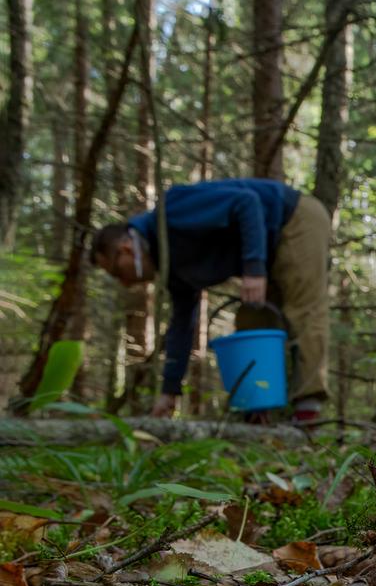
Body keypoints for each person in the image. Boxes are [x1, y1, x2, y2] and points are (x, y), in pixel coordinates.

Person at [92, 178, 330, 422]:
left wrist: (254, 269)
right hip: (266, 248)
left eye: (116, 271)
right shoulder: (172, 268)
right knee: (253, 319)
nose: (124, 282)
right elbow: (182, 326)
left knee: (304, 312)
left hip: (294, 220)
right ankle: (259, 411)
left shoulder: (173, 213)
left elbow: (247, 202)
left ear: (126, 249)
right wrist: (169, 391)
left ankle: (307, 412)